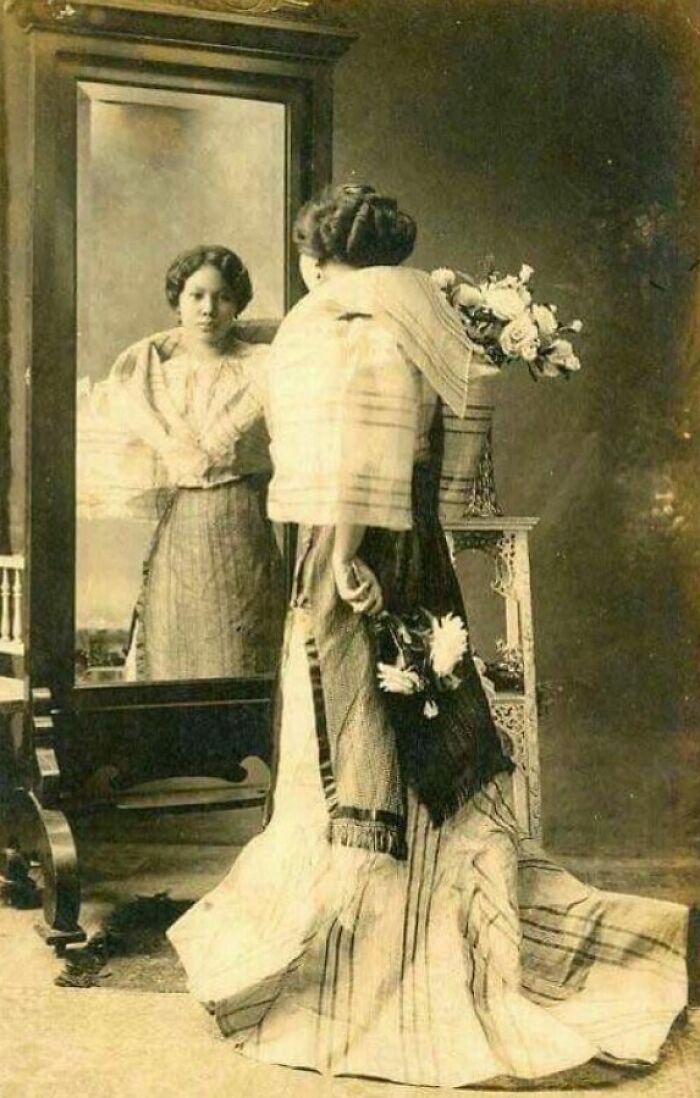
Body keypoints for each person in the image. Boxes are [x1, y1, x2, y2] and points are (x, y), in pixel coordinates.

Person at [167, 188, 688, 1087]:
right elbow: (428, 455)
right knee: (418, 709)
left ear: (316, 259)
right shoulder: (420, 316)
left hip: (356, 544)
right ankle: (429, 918)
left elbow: (350, 462)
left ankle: (366, 955)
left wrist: (339, 560)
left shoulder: (346, 326)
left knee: (358, 726)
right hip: (416, 544)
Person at [103, 245, 284, 680]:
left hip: (241, 520)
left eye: (223, 297)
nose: (208, 309)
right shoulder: (155, 376)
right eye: (196, 296)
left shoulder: (264, 365)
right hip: (180, 527)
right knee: (174, 651)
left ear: (237, 304)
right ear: (177, 302)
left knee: (241, 653)